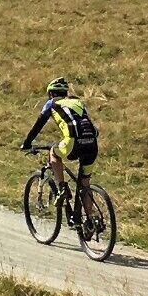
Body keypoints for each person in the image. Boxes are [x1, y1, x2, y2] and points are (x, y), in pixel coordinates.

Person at [22, 76, 99, 212]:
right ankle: (91, 222)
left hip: (73, 142)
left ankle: (62, 188)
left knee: (53, 152)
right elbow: (93, 129)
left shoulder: (52, 103)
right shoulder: (78, 102)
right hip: (92, 143)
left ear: (51, 93)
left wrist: (27, 143)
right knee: (85, 183)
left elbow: (38, 125)